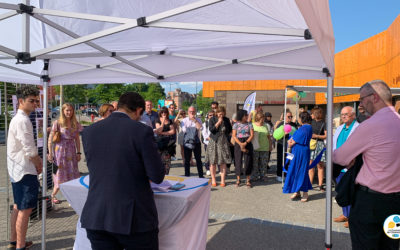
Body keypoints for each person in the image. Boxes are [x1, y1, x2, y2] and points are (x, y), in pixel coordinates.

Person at [81, 92, 165, 250]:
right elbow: (157, 175)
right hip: (134, 218)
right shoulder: (141, 131)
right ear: (139, 110)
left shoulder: (89, 131)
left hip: (97, 215)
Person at [334, 80, 400, 250]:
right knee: (391, 246)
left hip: (370, 203)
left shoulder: (370, 125)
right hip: (396, 203)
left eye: (362, 99)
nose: (361, 104)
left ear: (375, 97)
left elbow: (340, 157)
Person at [7, 86, 42, 250]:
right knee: (25, 209)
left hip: (18, 170)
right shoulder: (22, 120)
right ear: (20, 101)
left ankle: (15, 241)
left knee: (18, 206)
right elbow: (30, 150)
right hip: (24, 170)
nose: (35, 103)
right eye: (32, 101)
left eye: (36, 100)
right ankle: (20, 245)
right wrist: (39, 163)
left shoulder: (19, 118)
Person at [48, 103, 83, 204]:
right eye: (67, 110)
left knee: (72, 176)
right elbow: (50, 139)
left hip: (71, 152)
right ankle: (52, 196)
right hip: (59, 152)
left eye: (71, 110)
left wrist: (79, 152)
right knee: (58, 176)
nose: (69, 112)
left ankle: (71, 198)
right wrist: (50, 153)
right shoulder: (57, 123)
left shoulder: (75, 123)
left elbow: (77, 139)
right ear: (63, 111)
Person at [332, 106, 359, 228]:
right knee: (341, 190)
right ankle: (345, 214)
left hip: (351, 164)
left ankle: (352, 217)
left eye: (346, 114)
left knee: (350, 191)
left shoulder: (358, 128)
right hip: (338, 164)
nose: (343, 116)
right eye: (342, 114)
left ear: (353, 115)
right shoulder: (339, 128)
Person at [283, 111, 313, 202]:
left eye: (299, 118)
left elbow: (293, 141)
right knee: (297, 170)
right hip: (299, 151)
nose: (297, 119)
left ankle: (305, 193)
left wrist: (290, 142)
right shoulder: (305, 127)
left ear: (302, 119)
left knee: (301, 171)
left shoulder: (305, 128)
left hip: (301, 152)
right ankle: (297, 191)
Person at [205, 107, 232, 187]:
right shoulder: (212, 119)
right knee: (213, 162)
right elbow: (212, 130)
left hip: (223, 142)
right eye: (219, 112)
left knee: (223, 161)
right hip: (214, 142)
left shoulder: (226, 120)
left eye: (222, 112)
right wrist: (218, 122)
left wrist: (225, 123)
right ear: (216, 113)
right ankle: (213, 179)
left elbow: (229, 130)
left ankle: (222, 180)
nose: (221, 114)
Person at [232, 109, 254, 188]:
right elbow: (234, 135)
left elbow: (252, 135)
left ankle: (248, 179)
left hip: (247, 142)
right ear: (241, 116)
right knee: (238, 161)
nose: (247, 116)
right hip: (238, 143)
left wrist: (245, 143)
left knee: (248, 161)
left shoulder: (249, 124)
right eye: (246, 115)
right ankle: (238, 179)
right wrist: (240, 143)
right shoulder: (235, 125)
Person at [274, 110, 297, 182]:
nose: (290, 118)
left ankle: (287, 174)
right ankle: (279, 175)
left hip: (291, 146)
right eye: (288, 116)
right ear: (284, 117)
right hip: (282, 145)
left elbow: (296, 134)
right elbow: (276, 136)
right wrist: (285, 134)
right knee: (281, 160)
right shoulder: (281, 124)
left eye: (291, 116)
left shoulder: (294, 125)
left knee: (289, 160)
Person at [181, 106, 204, 178]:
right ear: (188, 112)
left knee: (198, 160)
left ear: (195, 112)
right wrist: (194, 129)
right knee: (187, 160)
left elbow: (200, 128)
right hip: (187, 142)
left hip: (196, 142)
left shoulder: (198, 120)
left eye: (193, 112)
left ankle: (201, 176)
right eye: (190, 112)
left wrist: (194, 121)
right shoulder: (184, 120)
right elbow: (184, 130)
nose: (192, 113)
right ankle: (187, 176)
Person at [308, 107, 327, 191]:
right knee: (311, 165)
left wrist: (316, 136)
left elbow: (326, 136)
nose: (311, 115)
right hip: (312, 145)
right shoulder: (310, 122)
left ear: (315, 114)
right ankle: (310, 184)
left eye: (312, 113)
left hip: (319, 144)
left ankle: (320, 185)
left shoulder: (324, 123)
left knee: (320, 166)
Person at [251, 112, 272, 181]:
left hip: (265, 147)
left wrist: (270, 146)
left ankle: (263, 176)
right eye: (261, 118)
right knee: (255, 163)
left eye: (263, 118)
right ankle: (254, 176)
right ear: (257, 118)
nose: (262, 120)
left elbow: (269, 137)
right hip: (255, 147)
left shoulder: (266, 125)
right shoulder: (252, 125)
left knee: (264, 163)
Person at [154, 107, 176, 174]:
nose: (164, 113)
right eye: (162, 112)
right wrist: (163, 121)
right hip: (160, 143)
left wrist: (163, 133)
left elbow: (173, 131)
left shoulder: (170, 121)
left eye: (165, 112)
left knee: (167, 161)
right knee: (159, 161)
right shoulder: (157, 120)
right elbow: (159, 130)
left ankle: (166, 175)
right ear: (160, 113)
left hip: (168, 144)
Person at [202, 111, 214, 176]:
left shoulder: (216, 123)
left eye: (213, 115)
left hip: (215, 142)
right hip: (207, 143)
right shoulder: (205, 124)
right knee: (208, 156)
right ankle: (207, 169)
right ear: (208, 116)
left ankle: (219, 169)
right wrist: (212, 138)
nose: (211, 116)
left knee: (216, 156)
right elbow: (204, 134)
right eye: (210, 115)